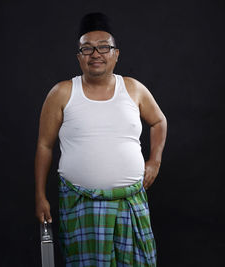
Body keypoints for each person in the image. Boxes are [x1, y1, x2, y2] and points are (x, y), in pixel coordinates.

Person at [35, 12, 167, 266]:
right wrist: (40, 196)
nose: (95, 54)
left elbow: (159, 121)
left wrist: (155, 161)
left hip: (131, 204)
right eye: (87, 49)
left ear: (116, 53)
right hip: (81, 205)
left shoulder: (133, 88)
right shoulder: (62, 92)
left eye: (104, 47)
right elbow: (44, 146)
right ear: (79, 57)